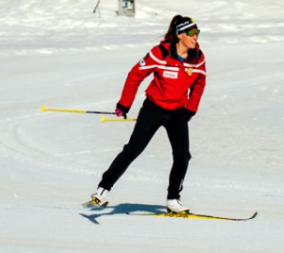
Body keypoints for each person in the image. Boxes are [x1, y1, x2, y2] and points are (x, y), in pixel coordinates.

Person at [89, 15, 207, 213]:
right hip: (154, 109)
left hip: (178, 112)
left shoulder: (198, 58)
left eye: (198, 33)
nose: (196, 37)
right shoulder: (159, 53)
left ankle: (173, 199)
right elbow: (135, 74)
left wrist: (190, 109)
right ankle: (102, 189)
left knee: (182, 156)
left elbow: (200, 83)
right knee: (133, 150)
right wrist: (124, 104)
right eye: (192, 33)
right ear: (180, 35)